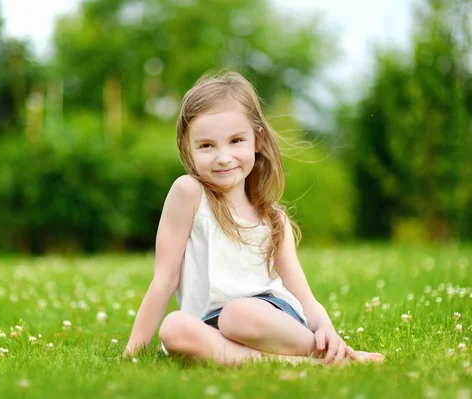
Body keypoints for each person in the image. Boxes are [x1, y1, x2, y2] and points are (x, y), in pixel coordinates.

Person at [123, 71, 385, 366]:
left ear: (257, 140)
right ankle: (306, 364)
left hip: (268, 318)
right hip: (211, 327)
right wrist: (133, 351)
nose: (223, 157)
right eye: (206, 145)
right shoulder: (188, 193)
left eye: (236, 140)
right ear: (187, 147)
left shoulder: (273, 218)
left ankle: (323, 353)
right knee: (174, 327)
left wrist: (328, 332)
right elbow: (165, 278)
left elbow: (305, 297)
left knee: (237, 314)